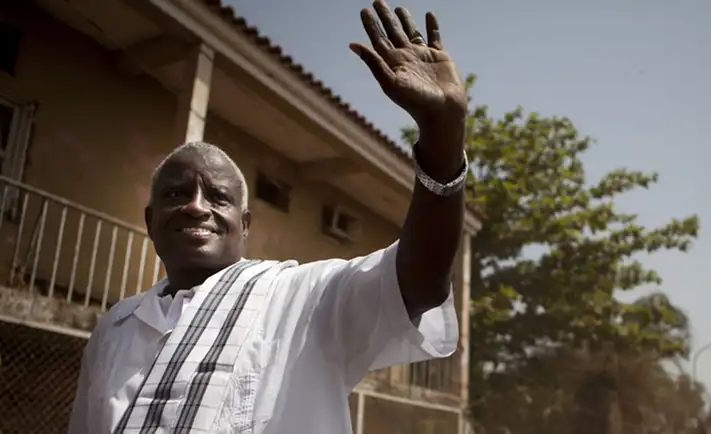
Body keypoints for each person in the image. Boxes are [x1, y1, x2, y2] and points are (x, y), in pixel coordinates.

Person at [67, 1, 468, 432]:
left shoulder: (301, 296)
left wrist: (442, 137)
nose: (196, 206)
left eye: (217, 197)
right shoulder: (114, 327)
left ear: (245, 225)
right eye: (176, 194)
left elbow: (418, 282)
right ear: (150, 221)